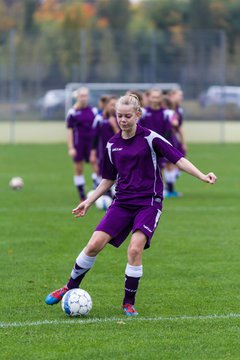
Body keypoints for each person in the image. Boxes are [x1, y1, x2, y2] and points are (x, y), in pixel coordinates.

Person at [45, 94, 217, 316]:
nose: (123, 120)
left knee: (135, 249)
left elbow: (178, 160)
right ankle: (69, 286)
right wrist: (89, 201)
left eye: (127, 116)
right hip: (122, 203)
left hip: (149, 203)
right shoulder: (112, 144)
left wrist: (202, 176)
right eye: (119, 116)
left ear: (138, 115)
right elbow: (108, 178)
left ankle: (128, 303)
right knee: (94, 245)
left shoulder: (151, 138)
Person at [66, 87, 98, 200]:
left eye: (85, 95)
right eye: (81, 96)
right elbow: (69, 131)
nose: (84, 98)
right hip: (78, 144)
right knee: (79, 169)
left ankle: (97, 192)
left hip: (91, 144)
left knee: (96, 167)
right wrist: (71, 147)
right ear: (77, 97)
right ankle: (82, 196)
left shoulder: (93, 111)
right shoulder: (72, 112)